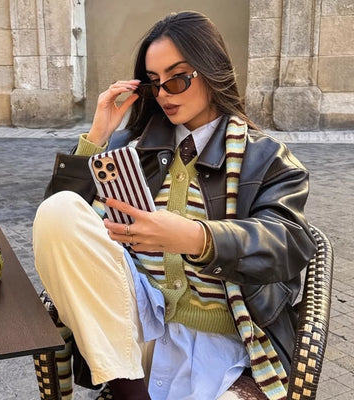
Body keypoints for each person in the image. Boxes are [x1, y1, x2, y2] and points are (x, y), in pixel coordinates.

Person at [33, 11, 317, 400]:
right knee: (58, 211)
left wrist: (196, 238)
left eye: (177, 78)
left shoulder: (266, 158)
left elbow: (290, 241)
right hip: (134, 331)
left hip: (226, 344)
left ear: (211, 69)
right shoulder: (134, 150)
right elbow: (61, 240)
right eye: (154, 83)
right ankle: (129, 391)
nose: (165, 93)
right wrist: (98, 134)